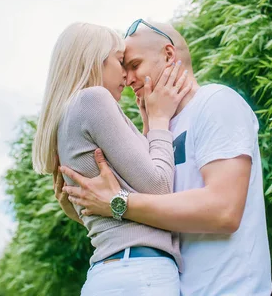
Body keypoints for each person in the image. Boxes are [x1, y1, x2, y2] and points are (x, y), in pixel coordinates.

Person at [58, 19, 272, 295]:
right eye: (123, 68)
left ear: (169, 55)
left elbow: (224, 211)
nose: (128, 78)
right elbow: (153, 213)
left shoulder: (216, 102)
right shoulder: (160, 131)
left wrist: (117, 202)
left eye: (134, 65)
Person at [32, 22, 193, 295]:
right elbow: (159, 188)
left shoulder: (70, 115)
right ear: (94, 62)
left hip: (115, 271)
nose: (128, 76)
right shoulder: (93, 100)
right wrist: (159, 120)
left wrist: (146, 128)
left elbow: (125, 191)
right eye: (121, 62)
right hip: (141, 273)